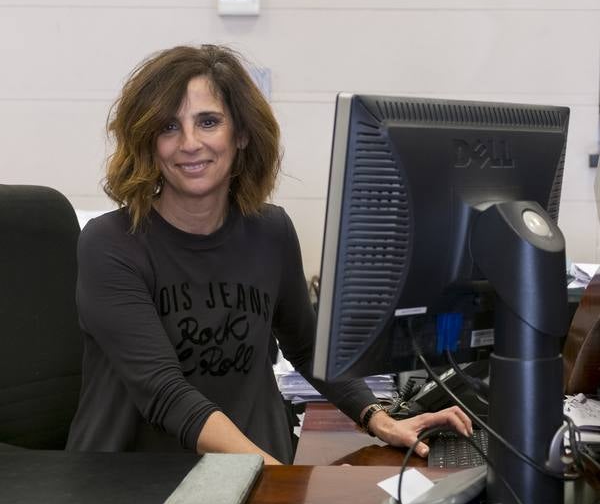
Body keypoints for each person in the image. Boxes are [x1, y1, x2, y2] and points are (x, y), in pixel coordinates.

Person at [67, 44, 471, 463]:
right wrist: (270, 471)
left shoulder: (271, 231)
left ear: (240, 134)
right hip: (130, 484)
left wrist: (377, 416)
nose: (189, 143)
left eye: (208, 122)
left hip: (254, 472)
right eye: (169, 127)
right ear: (148, 142)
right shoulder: (111, 243)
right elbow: (165, 393)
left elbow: (307, 344)